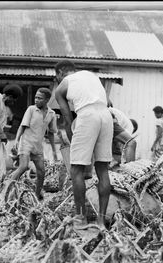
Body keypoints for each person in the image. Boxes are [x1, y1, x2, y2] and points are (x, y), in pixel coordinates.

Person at [54, 60, 113, 230]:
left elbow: (67, 120)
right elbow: (108, 102)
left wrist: (75, 144)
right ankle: (101, 222)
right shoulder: (91, 76)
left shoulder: (61, 87)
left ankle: (81, 218)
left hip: (87, 116)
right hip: (105, 116)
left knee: (76, 169)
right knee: (103, 169)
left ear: (59, 73)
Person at [10, 88, 58, 200]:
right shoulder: (31, 109)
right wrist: (16, 141)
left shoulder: (51, 114)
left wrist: (54, 150)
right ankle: (8, 189)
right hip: (26, 143)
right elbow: (22, 126)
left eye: (39, 98)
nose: (36, 100)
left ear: (47, 100)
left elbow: (51, 133)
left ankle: (36, 195)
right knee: (23, 167)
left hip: (38, 146)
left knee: (42, 171)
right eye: (35, 97)